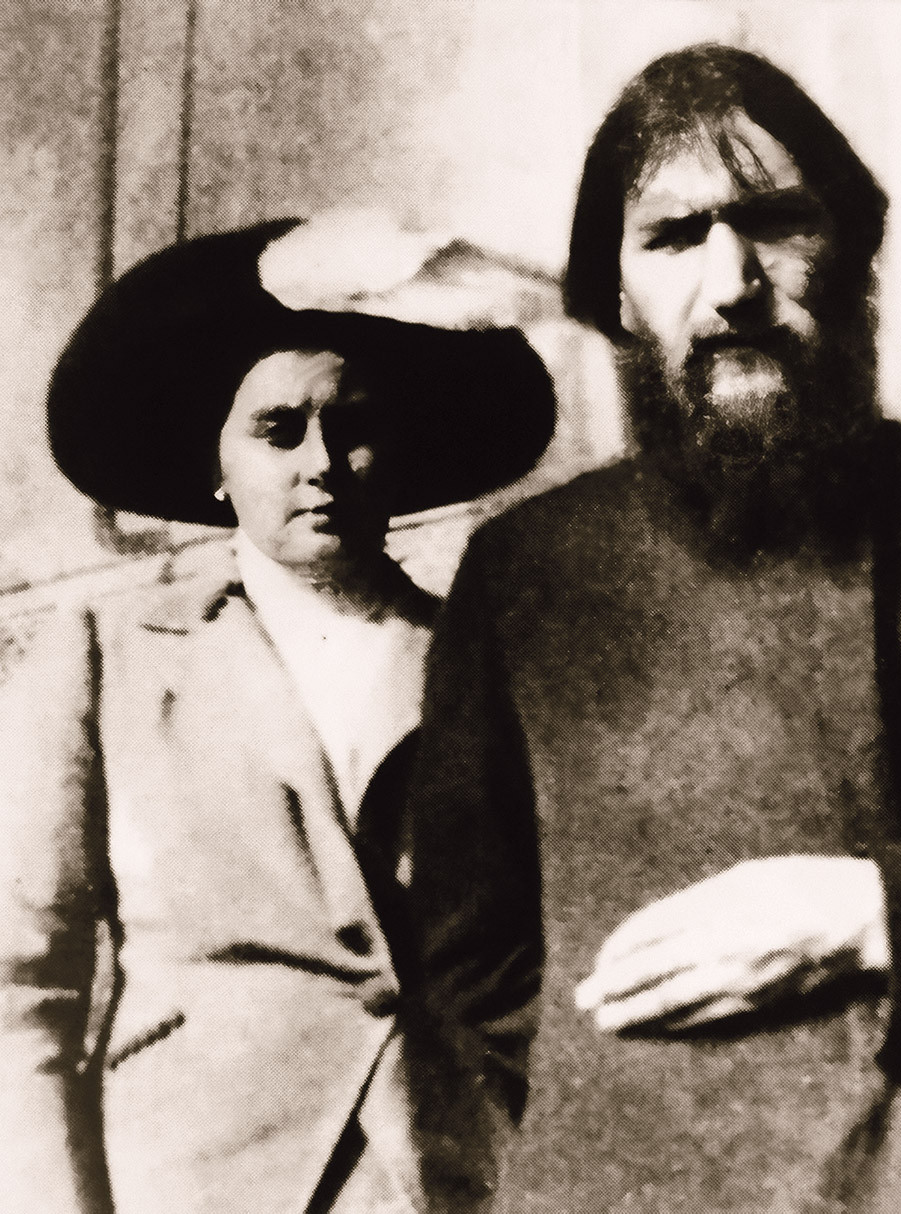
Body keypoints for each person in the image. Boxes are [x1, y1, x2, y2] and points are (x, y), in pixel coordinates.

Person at [403, 45, 901, 1212]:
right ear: (616, 296)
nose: (732, 283)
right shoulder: (523, 573)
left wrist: (878, 915)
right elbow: (467, 989)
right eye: (674, 236)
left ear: (852, 253)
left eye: (775, 222)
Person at [0, 218, 555, 1213]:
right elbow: (22, 989)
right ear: (217, 464)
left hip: (438, 1180)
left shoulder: (482, 659)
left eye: (355, 425)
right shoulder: (106, 657)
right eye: (278, 429)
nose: (321, 461)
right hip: (196, 1180)